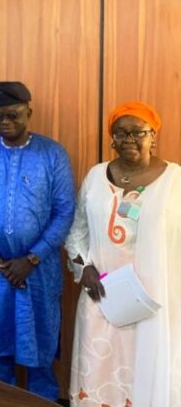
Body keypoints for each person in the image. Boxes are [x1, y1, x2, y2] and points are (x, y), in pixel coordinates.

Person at [0, 81, 75, 402]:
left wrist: (33, 258)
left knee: (40, 349)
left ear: (29, 112)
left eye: (13, 115)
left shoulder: (52, 154)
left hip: (39, 273)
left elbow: (65, 210)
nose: (4, 122)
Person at [65, 102, 180, 406]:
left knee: (145, 374)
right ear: (112, 138)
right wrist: (84, 267)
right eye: (120, 133)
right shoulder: (95, 176)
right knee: (99, 371)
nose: (129, 139)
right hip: (102, 295)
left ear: (153, 136)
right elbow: (77, 231)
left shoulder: (175, 181)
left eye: (138, 132)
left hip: (153, 302)